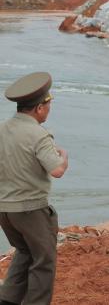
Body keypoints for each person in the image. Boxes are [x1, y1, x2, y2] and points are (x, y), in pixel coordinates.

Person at [0, 72, 69, 305]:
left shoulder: (2, 129)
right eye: (48, 106)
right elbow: (57, 170)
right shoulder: (39, 134)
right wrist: (63, 156)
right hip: (31, 209)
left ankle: (7, 299)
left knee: (24, 251)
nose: (48, 111)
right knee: (44, 261)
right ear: (40, 108)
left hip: (5, 210)